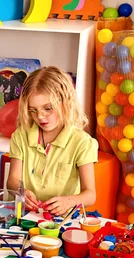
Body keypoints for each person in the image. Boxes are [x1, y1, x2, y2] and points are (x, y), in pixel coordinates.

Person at [7, 66, 98, 216]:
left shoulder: (82, 142)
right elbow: (12, 181)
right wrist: (21, 191)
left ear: (66, 101)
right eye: (33, 110)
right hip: (29, 217)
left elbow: (90, 194)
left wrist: (69, 201)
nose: (40, 117)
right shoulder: (21, 136)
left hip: (63, 220)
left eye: (48, 108)